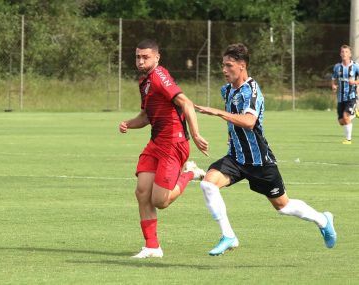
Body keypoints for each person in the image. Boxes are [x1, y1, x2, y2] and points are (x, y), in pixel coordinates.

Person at [194, 43, 337, 256]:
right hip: (236, 158)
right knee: (208, 185)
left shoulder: (252, 90)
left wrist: (216, 112)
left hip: (260, 161)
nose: (224, 70)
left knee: (283, 206)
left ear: (242, 66)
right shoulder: (227, 90)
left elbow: (250, 121)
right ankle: (229, 236)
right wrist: (230, 135)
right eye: (222, 65)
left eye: (229, 65)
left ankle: (323, 219)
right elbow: (235, 120)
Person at [119, 39, 209, 258]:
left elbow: (186, 103)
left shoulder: (159, 77)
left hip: (173, 143)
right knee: (142, 192)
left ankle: (189, 173)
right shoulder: (145, 82)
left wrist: (195, 134)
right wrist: (129, 124)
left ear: (157, 58)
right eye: (138, 57)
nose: (140, 61)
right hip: (156, 142)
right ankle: (152, 247)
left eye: (145, 57)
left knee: (160, 201)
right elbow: (147, 116)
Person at [331, 44, 359, 144]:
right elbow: (334, 79)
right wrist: (334, 86)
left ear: (350, 54)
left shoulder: (355, 67)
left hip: (351, 97)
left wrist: (355, 82)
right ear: (340, 54)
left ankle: (348, 139)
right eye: (342, 52)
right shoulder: (337, 67)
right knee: (341, 121)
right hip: (340, 98)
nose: (344, 54)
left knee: (346, 117)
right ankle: (355, 114)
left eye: (346, 52)